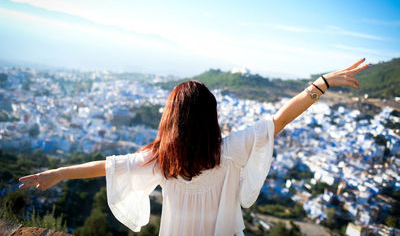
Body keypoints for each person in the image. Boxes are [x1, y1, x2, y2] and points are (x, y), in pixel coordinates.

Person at [19, 58, 370, 235]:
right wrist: (322, 83)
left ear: (172, 118)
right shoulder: (231, 150)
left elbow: (109, 166)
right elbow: (279, 119)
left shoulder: (162, 160)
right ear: (210, 116)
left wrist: (58, 174)